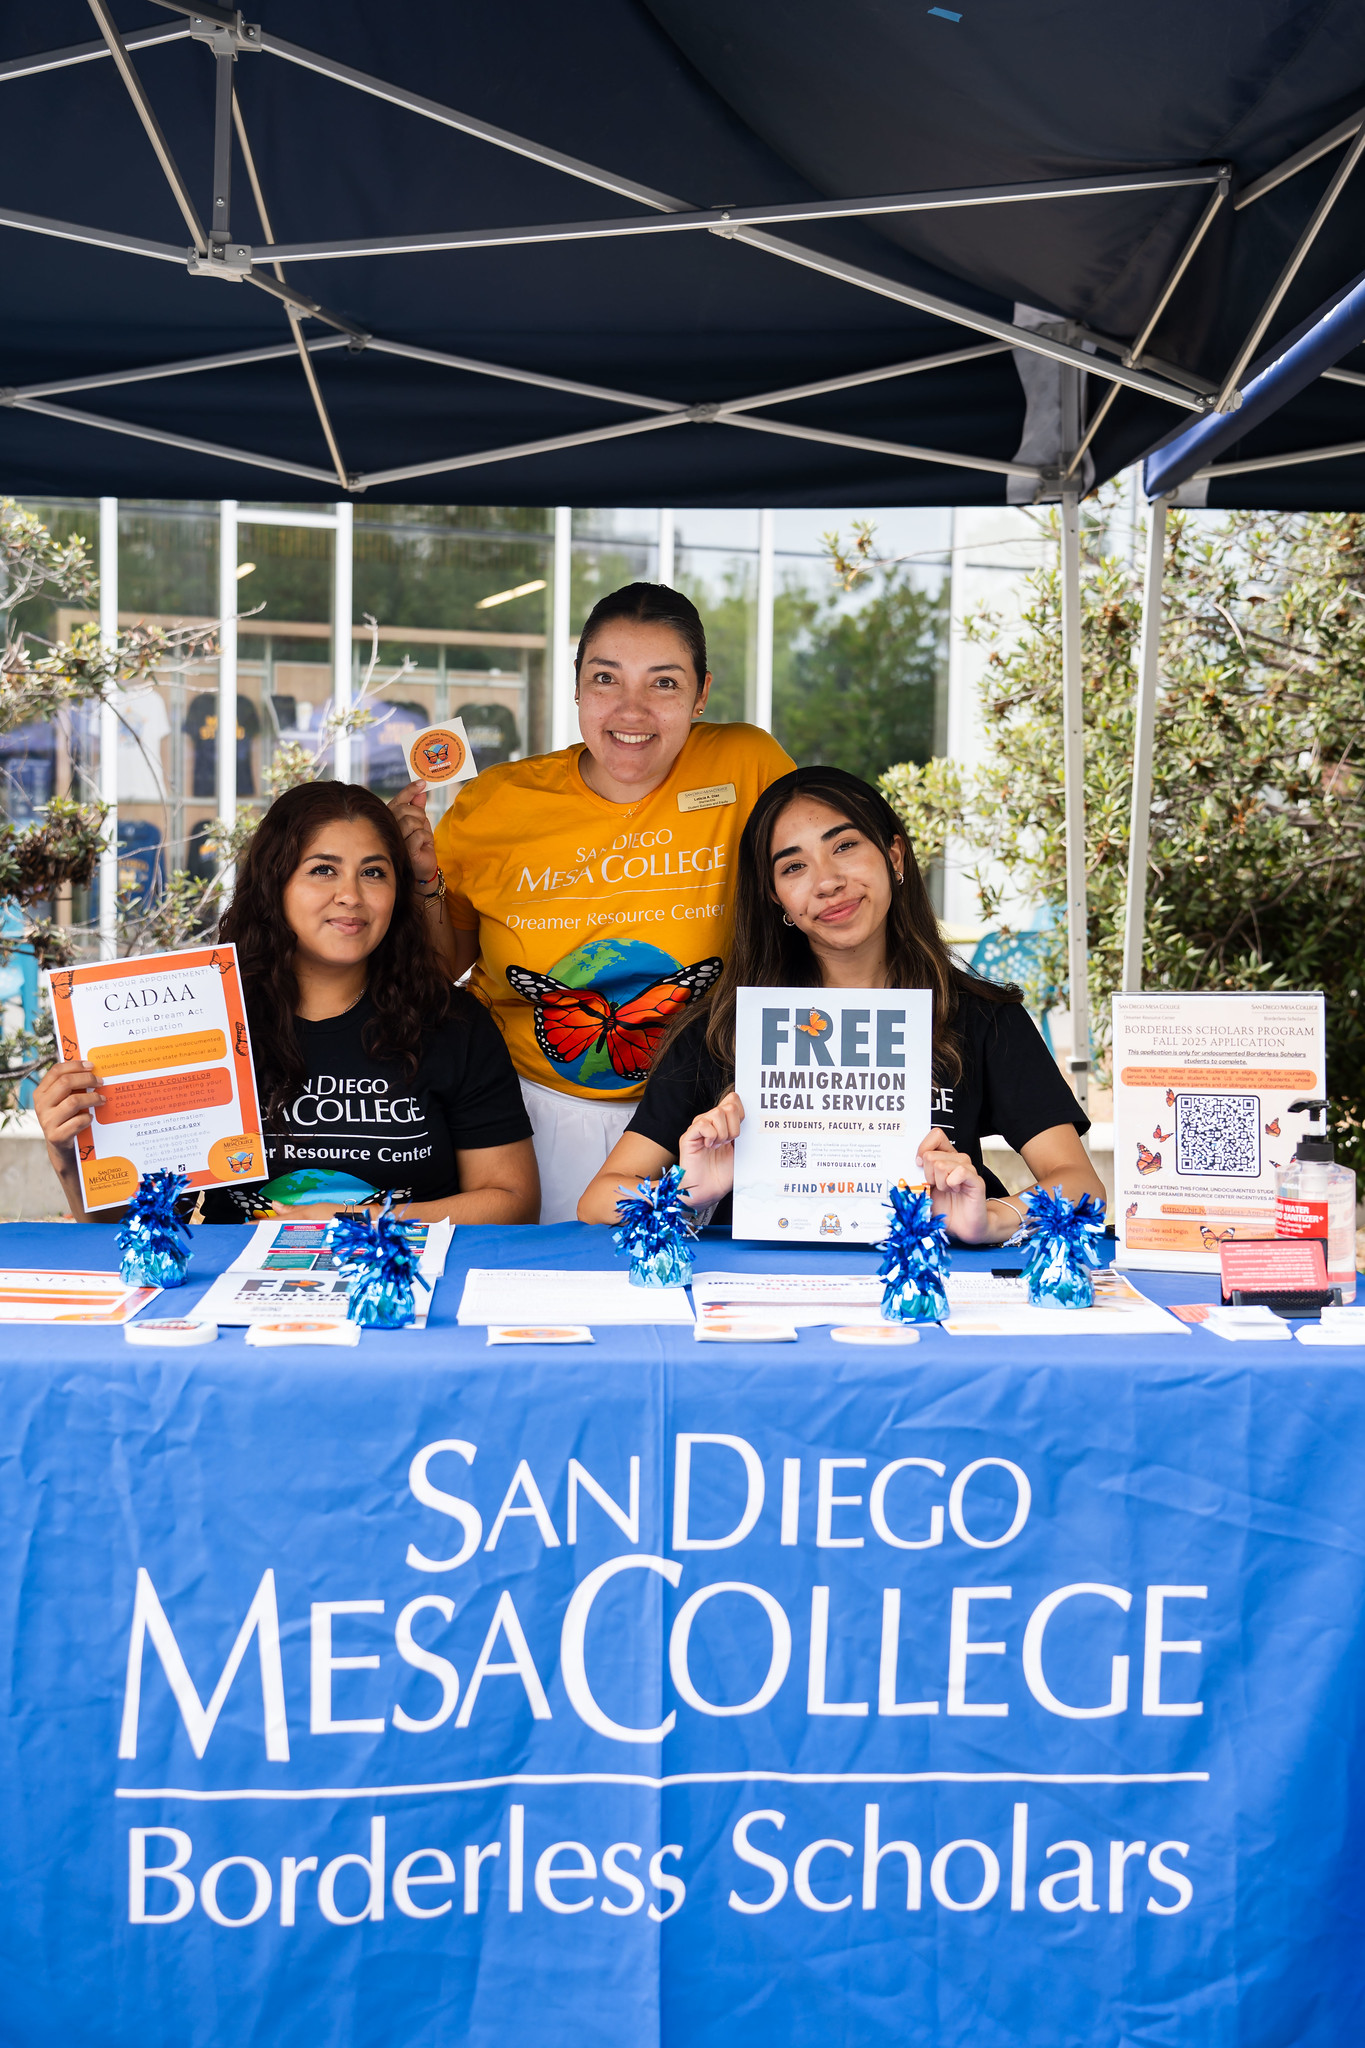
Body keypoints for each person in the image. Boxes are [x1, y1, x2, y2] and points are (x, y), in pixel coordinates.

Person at [389, 582, 794, 1223]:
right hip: (529, 1115)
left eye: (663, 683)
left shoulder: (747, 764)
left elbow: (804, 894)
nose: (631, 711)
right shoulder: (495, 802)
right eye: (607, 679)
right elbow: (440, 968)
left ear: (702, 693)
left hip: (706, 1116)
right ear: (577, 685)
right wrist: (418, 879)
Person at [578, 765, 1104, 1241]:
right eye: (793, 867)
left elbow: (1081, 1184)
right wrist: (689, 1195)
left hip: (931, 1291)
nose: (827, 882)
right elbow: (597, 1199)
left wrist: (990, 1216)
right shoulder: (722, 1027)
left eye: (845, 846)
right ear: (773, 896)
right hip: (761, 1299)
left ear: (894, 856)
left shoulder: (981, 1015)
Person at [34, 782, 539, 1226]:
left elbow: (513, 1203)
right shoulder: (193, 1019)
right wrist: (67, 1151)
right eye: (323, 870)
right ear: (275, 885)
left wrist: (362, 1221)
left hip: (397, 1297)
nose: (350, 896)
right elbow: (126, 1224)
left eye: (373, 872)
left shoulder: (452, 1023)